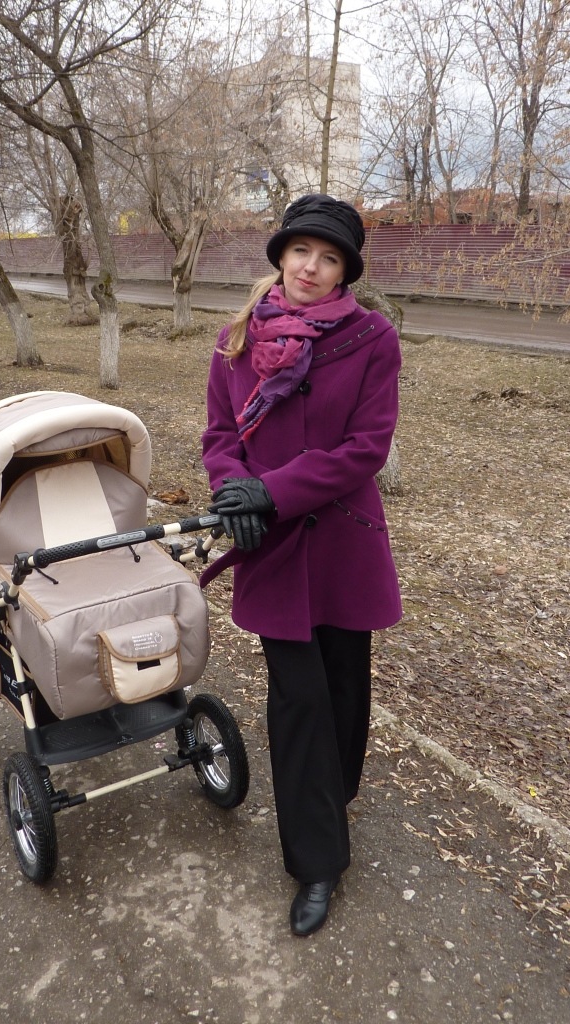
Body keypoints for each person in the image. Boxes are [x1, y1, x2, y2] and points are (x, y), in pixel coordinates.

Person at [200, 194, 402, 936]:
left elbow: (365, 447)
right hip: (273, 547)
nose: (311, 268)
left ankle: (332, 797)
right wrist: (235, 491)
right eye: (300, 252)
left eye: (329, 258)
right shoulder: (236, 339)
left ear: (345, 270)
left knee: (344, 689)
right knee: (298, 701)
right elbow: (220, 436)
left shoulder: (372, 339)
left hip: (344, 542)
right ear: (280, 256)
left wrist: (273, 489)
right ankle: (316, 862)